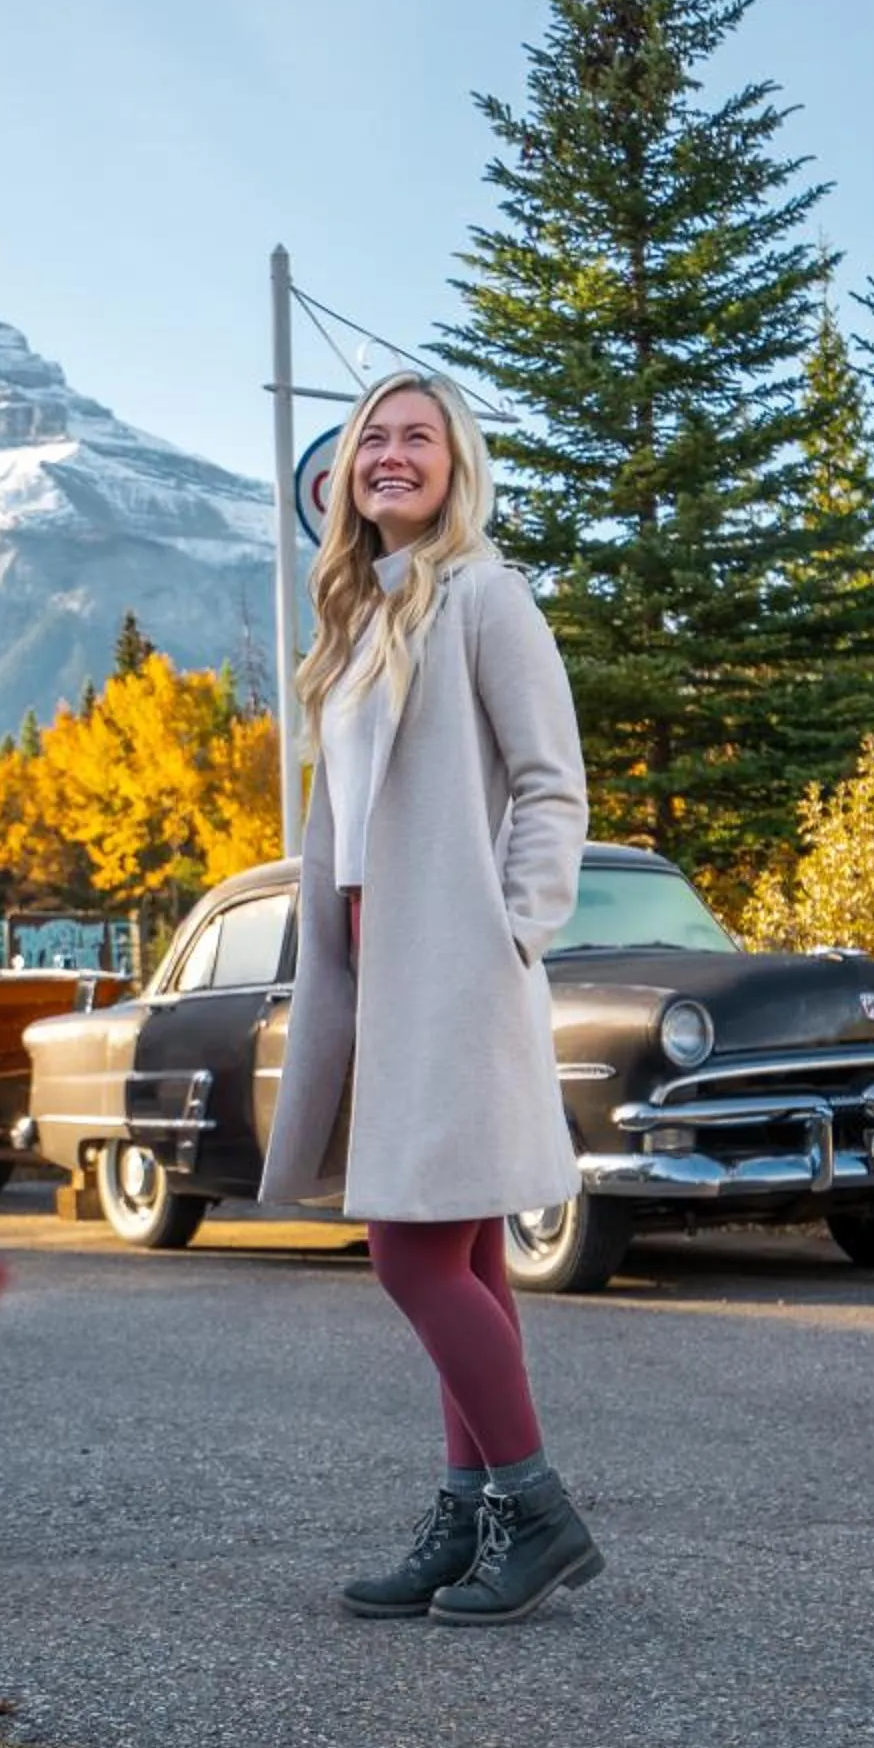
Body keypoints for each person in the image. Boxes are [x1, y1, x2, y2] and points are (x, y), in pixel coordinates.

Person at [259, 370, 604, 1626]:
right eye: (372, 441)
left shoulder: (483, 596)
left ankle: (536, 1507)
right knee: (459, 1247)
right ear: (346, 473)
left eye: (416, 438)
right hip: (370, 966)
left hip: (450, 964)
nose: (390, 455)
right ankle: (468, 1518)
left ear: (454, 465)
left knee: (406, 1248)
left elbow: (551, 785)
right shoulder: (359, 614)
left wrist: (508, 932)